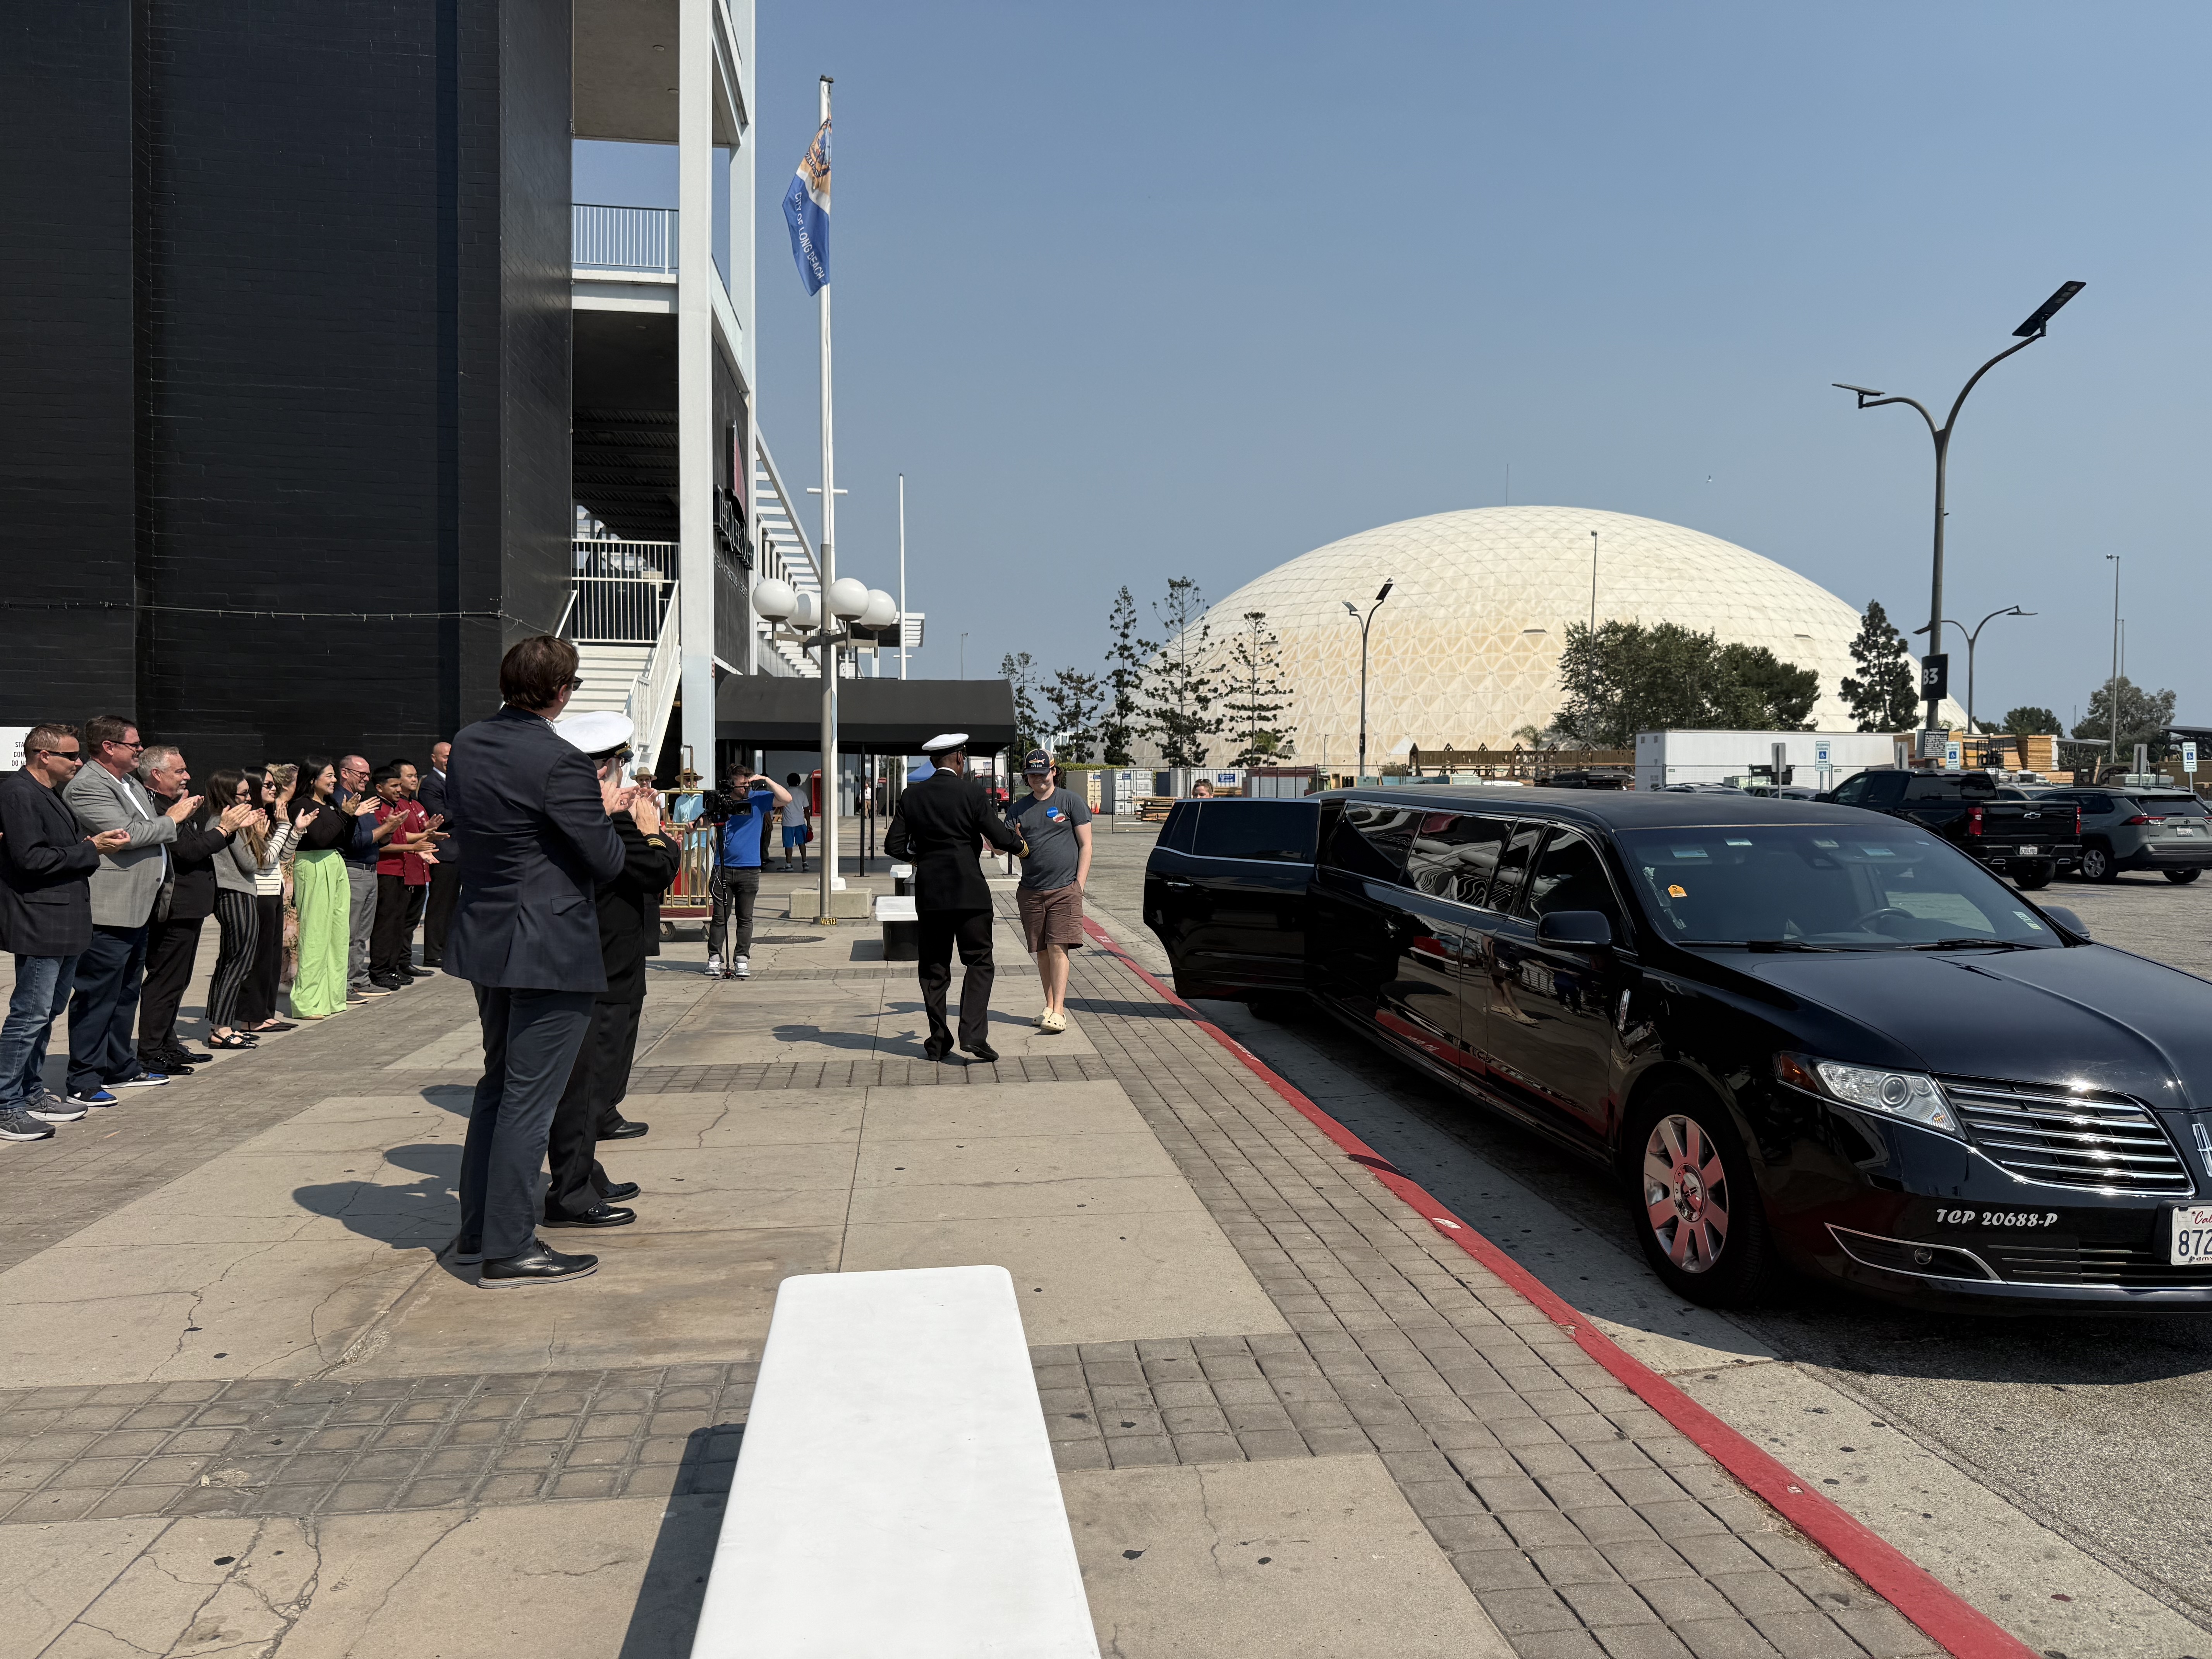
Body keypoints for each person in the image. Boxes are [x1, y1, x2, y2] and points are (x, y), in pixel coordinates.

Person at [444, 634, 627, 1288]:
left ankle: (477, 1232)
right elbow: (605, 860)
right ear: (559, 692)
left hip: (487, 927)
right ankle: (511, 1246)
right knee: (530, 1098)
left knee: (498, 1085)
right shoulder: (561, 760)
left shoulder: (469, 742)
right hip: (547, 938)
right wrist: (606, 811)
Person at [542, 711, 678, 1228]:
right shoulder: (602, 820)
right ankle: (571, 1189)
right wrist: (652, 831)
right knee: (589, 1084)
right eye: (619, 765)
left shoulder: (589, 815)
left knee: (594, 1079)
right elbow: (655, 869)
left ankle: (585, 1174)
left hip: (610, 960)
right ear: (605, 770)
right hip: (602, 964)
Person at [0, 725, 134, 1138]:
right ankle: (6, 1103)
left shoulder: (48, 794)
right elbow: (31, 859)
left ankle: (30, 1089)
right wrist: (91, 849)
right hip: (42, 920)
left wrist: (93, 847)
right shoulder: (19, 793)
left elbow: (66, 851)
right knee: (30, 1013)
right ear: (43, 755)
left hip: (65, 918)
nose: (79, 763)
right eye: (71, 756)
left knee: (48, 1011)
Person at [62, 715, 196, 1104]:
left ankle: (119, 1066)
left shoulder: (131, 782)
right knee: (96, 995)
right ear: (109, 747)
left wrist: (158, 824)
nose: (140, 750)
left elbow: (144, 829)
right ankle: (84, 1079)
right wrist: (172, 820)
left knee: (125, 993)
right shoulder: (88, 785)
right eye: (134, 745)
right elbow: (127, 835)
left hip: (139, 906)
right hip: (110, 909)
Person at [883, 734, 1027, 1063]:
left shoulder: (912, 796)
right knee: (979, 961)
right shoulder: (972, 793)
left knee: (934, 969)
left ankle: (938, 1041)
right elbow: (999, 835)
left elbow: (894, 846)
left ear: (934, 761)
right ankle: (972, 1035)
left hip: (932, 896)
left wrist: (921, 858)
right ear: (960, 759)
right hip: (970, 894)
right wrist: (1022, 848)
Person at [135, 746, 258, 1075]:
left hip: (190, 908)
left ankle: (167, 1044)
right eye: (179, 771)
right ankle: (151, 1050)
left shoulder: (174, 806)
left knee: (178, 982)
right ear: (157, 775)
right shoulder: (155, 808)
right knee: (165, 981)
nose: (187, 776)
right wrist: (224, 830)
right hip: (174, 909)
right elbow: (188, 852)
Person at [1003, 749, 1094, 1035]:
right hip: (1030, 890)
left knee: (1058, 946)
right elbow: (999, 845)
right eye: (1032, 775)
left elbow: (1087, 845)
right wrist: (1009, 839)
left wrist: (1079, 884)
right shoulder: (1019, 808)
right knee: (1041, 950)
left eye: (1043, 774)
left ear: (1054, 772)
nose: (1038, 780)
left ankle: (1059, 1011)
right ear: (1026, 777)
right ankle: (1049, 1005)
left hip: (1065, 888)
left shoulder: (1070, 801)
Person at [201, 768, 270, 1051]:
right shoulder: (222, 824)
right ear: (228, 795)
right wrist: (255, 833)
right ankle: (221, 1028)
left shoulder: (228, 825)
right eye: (243, 794)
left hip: (240, 893)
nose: (249, 799)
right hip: (234, 895)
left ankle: (222, 1022)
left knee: (234, 961)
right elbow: (253, 864)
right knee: (237, 961)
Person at [704, 765, 790, 981]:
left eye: (748, 783)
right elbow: (705, 820)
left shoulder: (759, 798)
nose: (746, 788)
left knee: (746, 918)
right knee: (720, 917)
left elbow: (786, 799)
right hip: (723, 867)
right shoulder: (723, 800)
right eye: (741, 784)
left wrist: (765, 781)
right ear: (732, 782)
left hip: (750, 869)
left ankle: (741, 959)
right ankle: (715, 958)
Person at [335, 754, 405, 1000]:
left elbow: (373, 839)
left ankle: (359, 979)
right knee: (350, 932)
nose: (366, 778)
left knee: (363, 933)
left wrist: (389, 830)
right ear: (345, 774)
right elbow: (354, 842)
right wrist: (386, 829)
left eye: (367, 773)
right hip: (353, 871)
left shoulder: (363, 803)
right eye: (361, 774)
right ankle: (343, 984)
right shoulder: (342, 802)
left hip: (370, 870)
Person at [286, 757, 351, 1018]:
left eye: (335, 776)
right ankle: (306, 1002)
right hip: (313, 865)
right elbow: (320, 837)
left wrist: (349, 816)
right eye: (330, 776)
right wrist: (345, 815)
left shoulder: (332, 804)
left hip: (334, 863)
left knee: (337, 933)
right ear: (313, 779)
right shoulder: (301, 805)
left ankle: (332, 997)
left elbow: (342, 838)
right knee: (315, 933)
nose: (334, 780)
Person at [238, 766, 299, 1035]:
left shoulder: (268, 817)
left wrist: (294, 831)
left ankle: (267, 1013)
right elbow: (263, 860)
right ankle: (252, 1017)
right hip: (258, 893)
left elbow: (282, 855)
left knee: (273, 959)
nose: (274, 789)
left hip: (273, 891)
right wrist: (285, 827)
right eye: (267, 785)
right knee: (260, 958)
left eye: (274, 785)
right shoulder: (248, 819)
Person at [368, 763, 436, 991]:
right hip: (386, 872)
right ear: (379, 787)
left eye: (400, 785)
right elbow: (379, 845)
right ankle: (380, 971)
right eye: (394, 785)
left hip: (402, 872)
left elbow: (402, 837)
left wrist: (424, 836)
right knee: (386, 925)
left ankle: (393, 967)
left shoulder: (396, 807)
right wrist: (414, 847)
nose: (399, 790)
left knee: (399, 924)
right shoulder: (378, 809)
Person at [418, 740, 459, 968]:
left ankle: (447, 948)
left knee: (453, 905)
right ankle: (433, 953)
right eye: (444, 757)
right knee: (440, 906)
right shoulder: (431, 784)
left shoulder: (455, 782)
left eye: (451, 756)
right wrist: (466, 807)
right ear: (434, 759)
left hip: (459, 853)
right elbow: (440, 816)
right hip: (443, 853)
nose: (449, 760)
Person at [780, 773, 811, 871]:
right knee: (802, 843)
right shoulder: (802, 793)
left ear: (788, 781)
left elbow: (780, 806)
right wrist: (809, 823)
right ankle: (805, 862)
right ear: (799, 782)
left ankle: (789, 864)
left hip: (788, 823)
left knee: (788, 844)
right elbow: (806, 810)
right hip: (800, 822)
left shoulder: (784, 792)